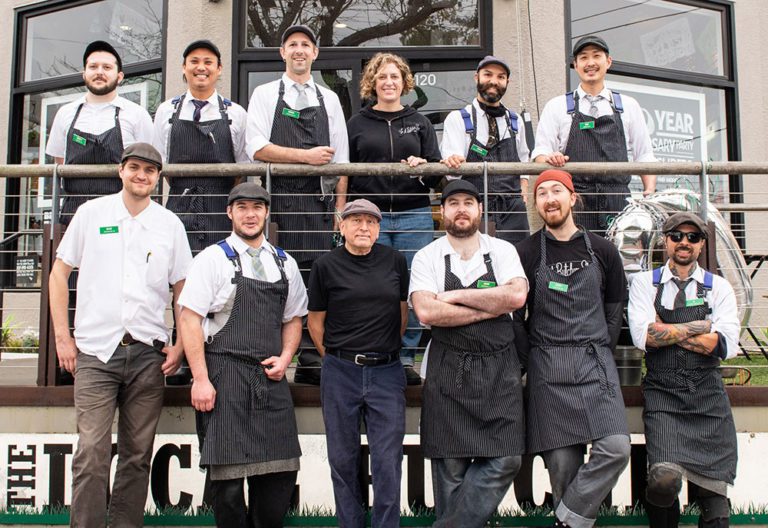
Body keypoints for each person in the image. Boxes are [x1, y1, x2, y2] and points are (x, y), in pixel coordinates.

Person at [48, 143, 191, 527]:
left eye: (149, 170)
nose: (141, 175)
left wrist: (179, 342)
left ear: (158, 177)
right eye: (134, 168)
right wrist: (64, 337)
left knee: (137, 455)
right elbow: (59, 274)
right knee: (92, 451)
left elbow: (183, 288)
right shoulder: (91, 214)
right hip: (96, 353)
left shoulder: (169, 224)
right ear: (121, 171)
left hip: (148, 353)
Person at [178, 182, 307, 528]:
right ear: (230, 212)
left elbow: (293, 317)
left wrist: (285, 358)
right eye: (243, 208)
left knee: (278, 480)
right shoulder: (212, 259)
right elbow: (189, 319)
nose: (250, 215)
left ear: (267, 213)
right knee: (229, 489)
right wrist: (201, 379)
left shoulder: (285, 263)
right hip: (225, 376)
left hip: (270, 379)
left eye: (257, 208)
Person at [515, 169, 630, 528]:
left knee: (616, 447)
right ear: (536, 204)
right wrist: (529, 362)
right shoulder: (527, 252)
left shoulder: (605, 250)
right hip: (548, 366)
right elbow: (516, 319)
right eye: (542, 194)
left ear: (572, 197)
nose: (550, 199)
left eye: (556, 191)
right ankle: (572, 518)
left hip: (595, 362)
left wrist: (598, 350)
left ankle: (565, 519)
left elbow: (614, 312)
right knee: (562, 467)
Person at [410, 180, 528, 528]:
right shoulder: (427, 256)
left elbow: (516, 298)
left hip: (499, 370)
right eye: (454, 203)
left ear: (479, 210)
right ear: (442, 211)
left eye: (468, 203)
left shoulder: (503, 250)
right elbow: (427, 313)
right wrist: (489, 305)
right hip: (448, 369)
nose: (461, 209)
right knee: (450, 469)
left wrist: (451, 297)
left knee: (507, 458)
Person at [246, 24, 349, 385]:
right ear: (282, 53)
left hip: (319, 206)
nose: (299, 50)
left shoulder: (329, 99)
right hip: (277, 204)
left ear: (315, 54)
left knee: (313, 281)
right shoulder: (264, 94)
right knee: (273, 278)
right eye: (293, 45)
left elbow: (342, 163)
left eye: (306, 44)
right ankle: (266, 350)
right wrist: (305, 157)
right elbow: (256, 147)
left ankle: (309, 355)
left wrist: (339, 209)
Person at [628, 212, 738, 528]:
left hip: (708, 396)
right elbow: (645, 337)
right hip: (664, 394)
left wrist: (670, 331)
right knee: (663, 481)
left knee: (716, 505)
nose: (684, 242)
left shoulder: (718, 287)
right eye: (677, 235)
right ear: (666, 241)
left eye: (692, 237)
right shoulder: (643, 284)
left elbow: (723, 345)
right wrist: (699, 326)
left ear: (702, 244)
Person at [307, 199, 409, 528]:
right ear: (342, 226)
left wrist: (381, 349)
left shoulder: (395, 261)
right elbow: (315, 323)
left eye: (371, 222)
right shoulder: (325, 266)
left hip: (387, 372)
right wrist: (338, 359)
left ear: (379, 229)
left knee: (387, 460)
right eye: (356, 221)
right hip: (341, 373)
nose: (364, 227)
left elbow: (402, 315)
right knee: (342, 458)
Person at [344, 52, 442, 385]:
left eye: (394, 77)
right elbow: (345, 171)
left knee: (415, 286)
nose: (388, 82)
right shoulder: (357, 123)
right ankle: (375, 353)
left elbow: (436, 174)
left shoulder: (420, 122)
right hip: (370, 219)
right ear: (372, 82)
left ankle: (404, 358)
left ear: (404, 83)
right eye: (382, 77)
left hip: (413, 214)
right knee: (375, 287)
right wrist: (340, 209)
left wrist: (423, 166)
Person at [531, 35, 656, 235]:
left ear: (608, 62)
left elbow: (644, 155)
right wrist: (550, 158)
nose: (590, 63)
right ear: (575, 64)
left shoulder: (628, 106)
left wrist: (649, 191)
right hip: (575, 202)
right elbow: (540, 153)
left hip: (619, 201)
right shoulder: (557, 106)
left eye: (596, 56)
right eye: (583, 57)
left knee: (619, 261)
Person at [153, 39, 250, 253]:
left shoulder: (236, 113)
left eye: (208, 62)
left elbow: (242, 169)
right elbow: (160, 163)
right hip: (179, 203)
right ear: (184, 67)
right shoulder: (166, 111)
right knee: (180, 274)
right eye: (194, 61)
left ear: (219, 69)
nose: (201, 67)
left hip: (221, 209)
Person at [46, 40, 154, 224]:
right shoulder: (65, 114)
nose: (99, 72)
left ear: (119, 76)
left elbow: (150, 165)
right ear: (84, 74)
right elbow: (59, 161)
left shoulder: (137, 114)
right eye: (93, 66)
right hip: (74, 214)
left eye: (107, 67)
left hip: (122, 213)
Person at [441, 55, 531, 244]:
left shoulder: (515, 121)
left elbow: (524, 159)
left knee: (518, 263)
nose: (494, 81)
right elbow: (452, 173)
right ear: (477, 78)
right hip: (476, 207)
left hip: (513, 209)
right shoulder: (458, 119)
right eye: (488, 75)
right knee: (478, 266)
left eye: (500, 77)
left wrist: (523, 186)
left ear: (507, 82)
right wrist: (453, 160)